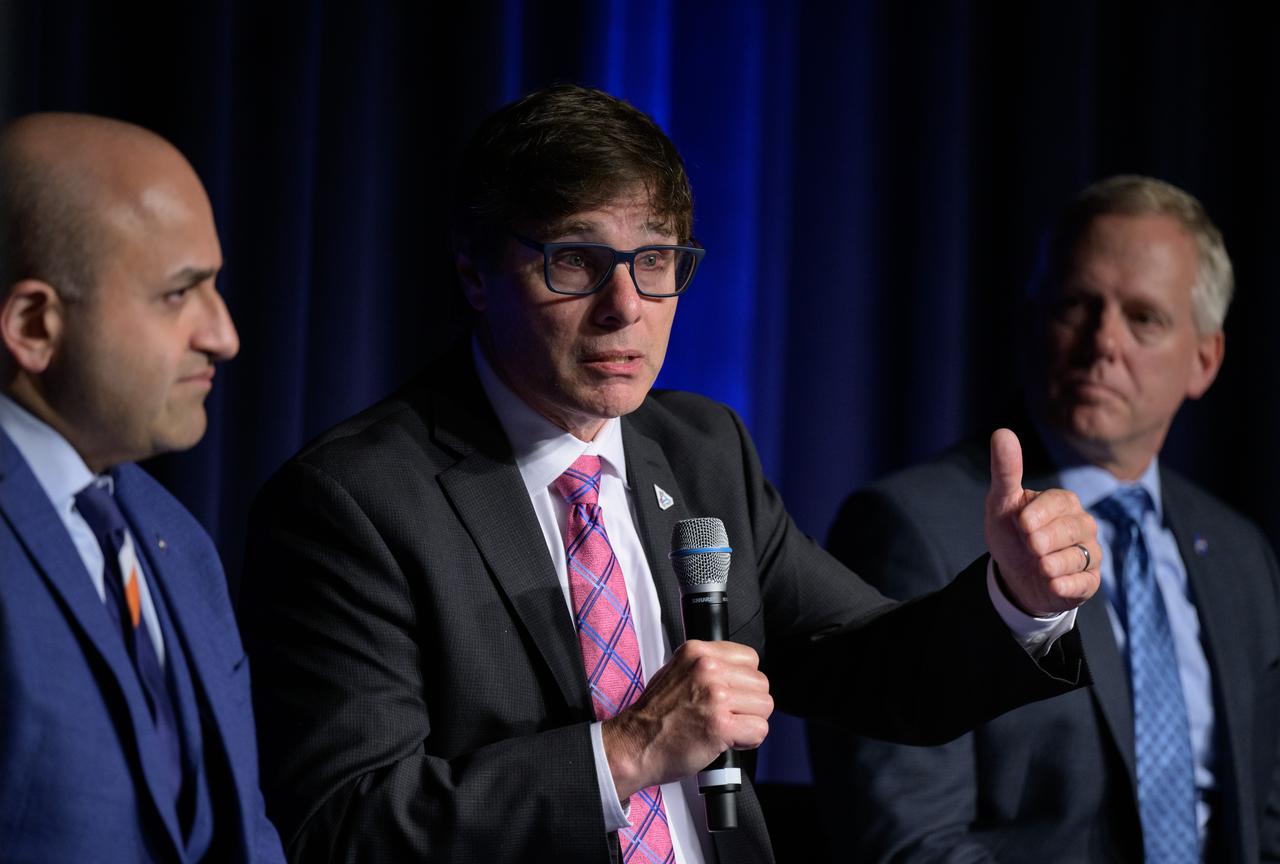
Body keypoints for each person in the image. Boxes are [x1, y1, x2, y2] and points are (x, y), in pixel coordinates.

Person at [239, 84, 1102, 864]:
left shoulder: (702, 450)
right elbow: (345, 828)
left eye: (655, 262)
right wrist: (625, 753)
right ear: (475, 274)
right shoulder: (355, 501)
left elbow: (875, 670)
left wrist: (1017, 602)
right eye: (575, 261)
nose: (626, 307)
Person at [811, 175, 1280, 862]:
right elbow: (908, 841)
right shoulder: (911, 527)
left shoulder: (1242, 554)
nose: (1103, 343)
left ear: (1204, 360)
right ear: (1032, 320)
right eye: (1077, 305)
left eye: (1143, 317)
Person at [0, 113, 285, 863]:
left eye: (214, 287)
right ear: (34, 324)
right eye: (177, 294)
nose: (223, 334)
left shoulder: (179, 542)